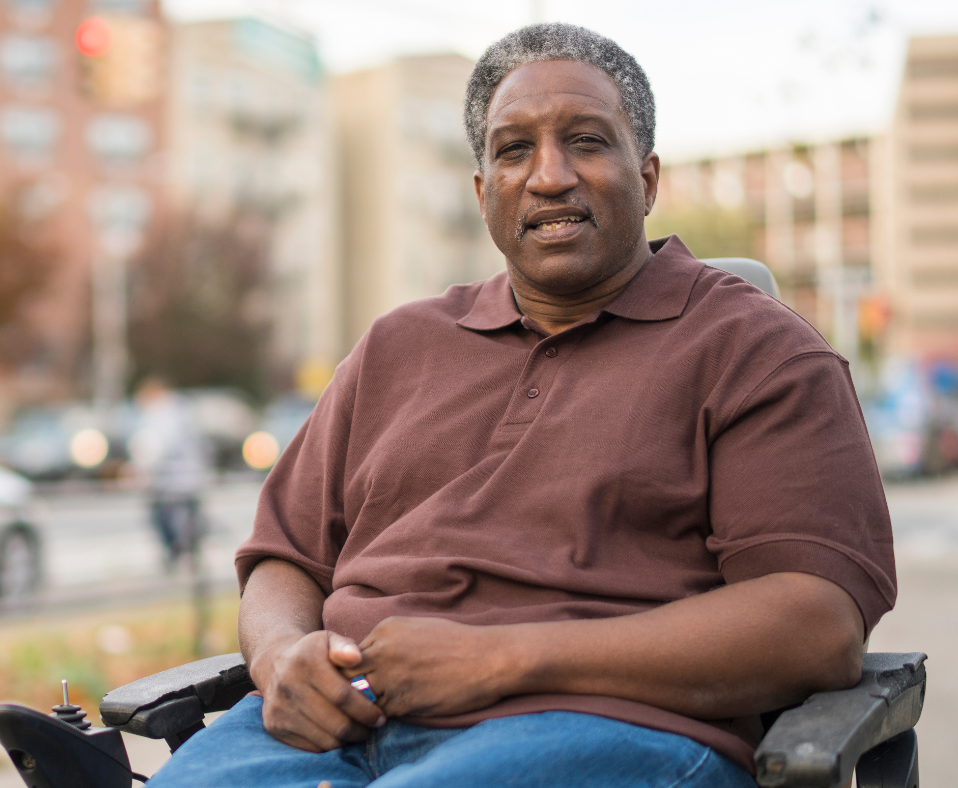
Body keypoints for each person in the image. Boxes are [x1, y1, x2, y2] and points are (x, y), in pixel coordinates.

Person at [148, 23, 895, 788]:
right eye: (513, 151)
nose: (549, 176)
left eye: (586, 141)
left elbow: (817, 625)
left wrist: (502, 658)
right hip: (323, 730)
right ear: (483, 193)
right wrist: (281, 661)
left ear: (649, 175)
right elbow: (284, 557)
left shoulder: (756, 351)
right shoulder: (397, 347)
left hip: (600, 730)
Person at [132, 377, 210, 572]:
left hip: (174, 480)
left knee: (171, 520)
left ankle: (181, 554)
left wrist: (140, 467)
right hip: (182, 480)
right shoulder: (180, 412)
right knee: (179, 519)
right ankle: (185, 554)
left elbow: (155, 447)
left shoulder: (164, 414)